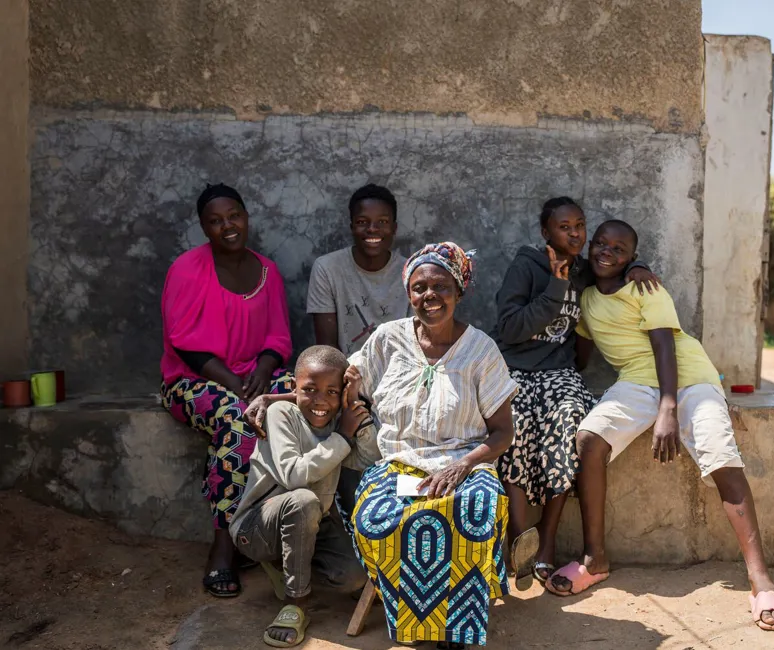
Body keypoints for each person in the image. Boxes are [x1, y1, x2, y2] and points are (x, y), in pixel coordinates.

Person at [547, 220, 774, 633]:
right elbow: (581, 354)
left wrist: (669, 408)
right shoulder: (587, 299)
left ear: (632, 258)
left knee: (720, 456)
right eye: (601, 244)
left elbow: (665, 343)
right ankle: (595, 560)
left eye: (620, 249)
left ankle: (761, 580)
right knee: (590, 438)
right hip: (635, 381)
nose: (608, 252)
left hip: (688, 377)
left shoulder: (645, 287)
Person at [349, 242, 521, 648]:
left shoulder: (480, 350)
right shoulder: (388, 339)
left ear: (459, 291)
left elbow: (502, 433)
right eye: (420, 287)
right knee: (376, 519)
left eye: (441, 286)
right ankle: (419, 622)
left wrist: (462, 467)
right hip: (398, 465)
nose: (430, 296)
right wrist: (278, 398)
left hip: (466, 465)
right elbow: (339, 381)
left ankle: (456, 632)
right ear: (409, 294)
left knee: (473, 512)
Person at [492, 197, 661, 584]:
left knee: (568, 419)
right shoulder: (526, 265)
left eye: (580, 226)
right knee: (513, 424)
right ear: (546, 232)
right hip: (515, 370)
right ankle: (519, 538)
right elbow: (510, 329)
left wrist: (637, 266)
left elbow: (616, 266)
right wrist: (555, 287)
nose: (575, 234)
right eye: (564, 227)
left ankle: (547, 542)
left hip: (560, 372)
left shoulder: (586, 270)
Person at [160, 183, 294, 598]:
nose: (227, 226)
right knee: (238, 423)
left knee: (304, 399)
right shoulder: (186, 268)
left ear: (246, 215)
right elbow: (183, 340)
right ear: (204, 227)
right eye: (215, 221)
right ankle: (224, 547)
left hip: (255, 375)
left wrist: (265, 370)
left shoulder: (267, 271)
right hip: (194, 380)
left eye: (233, 215)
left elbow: (279, 337)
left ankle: (287, 535)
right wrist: (237, 386)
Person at [231, 345, 379, 647]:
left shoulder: (339, 422)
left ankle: (287, 569)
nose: (320, 401)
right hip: (256, 529)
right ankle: (295, 603)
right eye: (309, 390)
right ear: (293, 389)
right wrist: (342, 438)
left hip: (312, 523)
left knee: (353, 576)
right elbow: (293, 475)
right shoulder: (280, 413)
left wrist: (354, 414)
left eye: (332, 392)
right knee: (303, 500)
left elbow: (368, 459)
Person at [306, 184, 409, 355]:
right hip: (344, 373)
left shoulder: (411, 273)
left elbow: (416, 345)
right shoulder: (327, 269)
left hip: (398, 373)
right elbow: (327, 348)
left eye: (382, 222)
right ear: (352, 227)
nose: (372, 229)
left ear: (394, 228)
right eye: (362, 222)